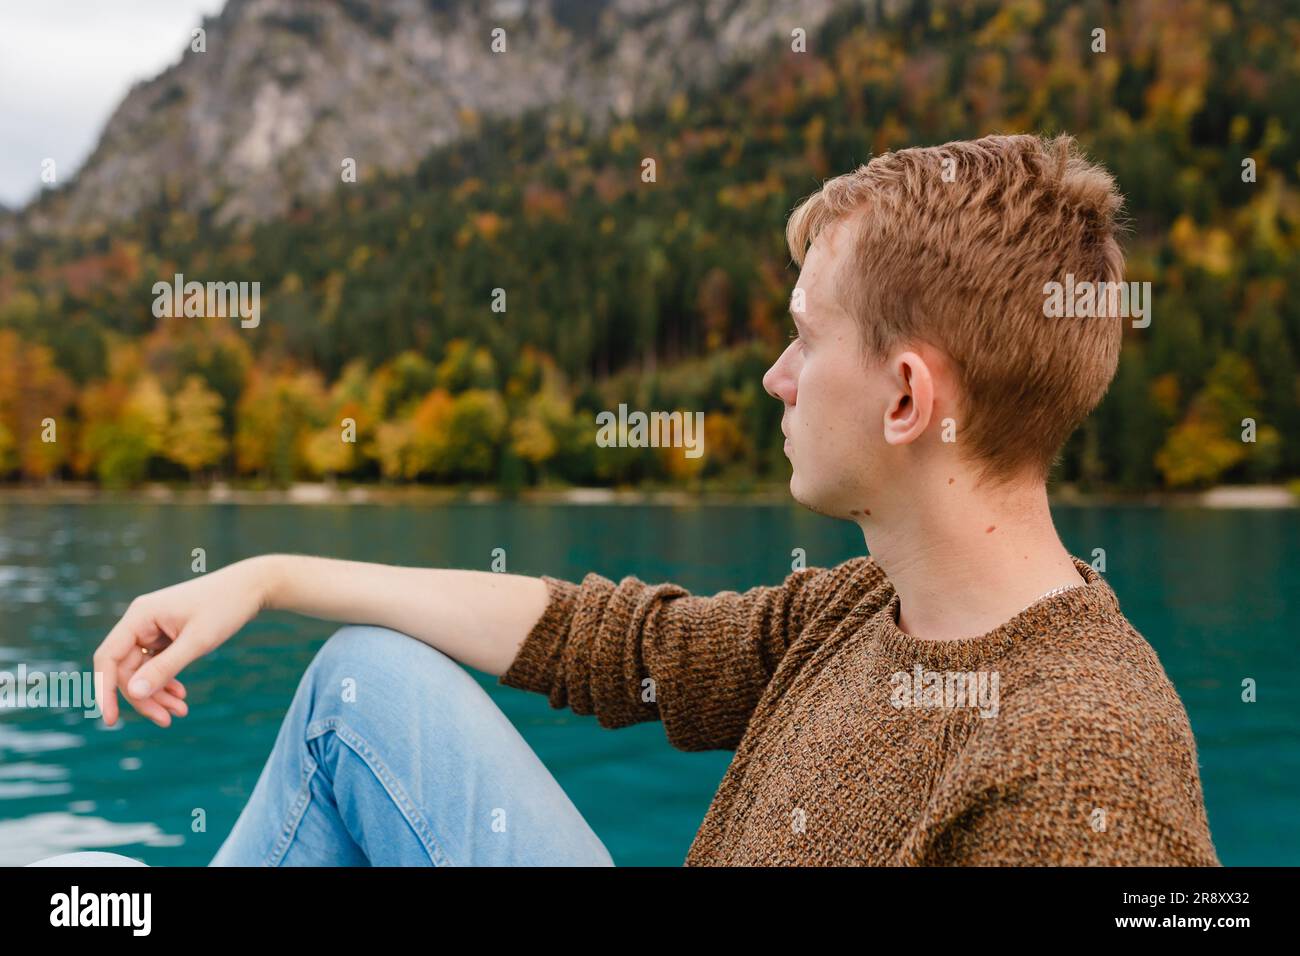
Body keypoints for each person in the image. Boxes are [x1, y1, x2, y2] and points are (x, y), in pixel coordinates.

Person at [92, 133, 1220, 866]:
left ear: (905, 396)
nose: (775, 376)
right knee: (360, 685)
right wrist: (267, 576)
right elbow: (606, 641)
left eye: (804, 337)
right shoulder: (855, 610)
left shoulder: (1086, 763)